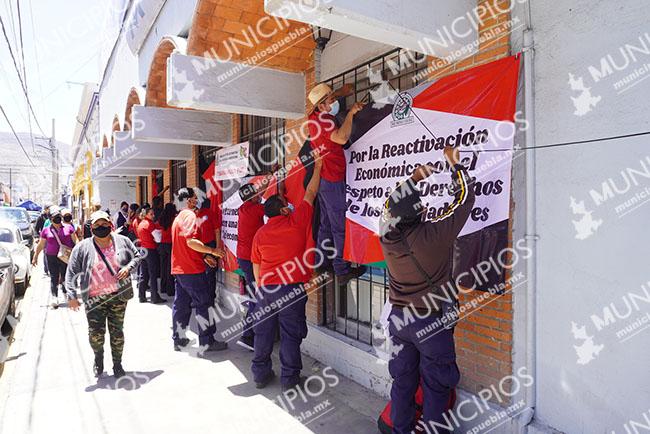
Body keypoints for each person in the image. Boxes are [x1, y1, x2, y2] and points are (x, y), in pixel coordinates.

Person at [379, 146, 475, 434]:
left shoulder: (387, 236)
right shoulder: (435, 234)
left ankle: (400, 430)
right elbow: (465, 199)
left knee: (403, 381)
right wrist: (454, 163)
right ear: (421, 211)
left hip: (399, 320)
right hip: (430, 322)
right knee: (436, 387)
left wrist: (414, 178)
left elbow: (388, 206)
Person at [250, 152, 322, 391]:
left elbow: (256, 265)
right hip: (290, 290)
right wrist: (319, 165)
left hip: (265, 289)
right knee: (291, 335)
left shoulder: (260, 233)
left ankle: (260, 375)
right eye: (285, 204)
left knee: (264, 333)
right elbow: (310, 193)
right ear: (282, 211)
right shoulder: (297, 220)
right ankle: (289, 380)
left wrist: (261, 288)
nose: (289, 205)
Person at [65, 210, 142, 378]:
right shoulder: (82, 247)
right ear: (91, 227)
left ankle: (117, 364)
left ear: (110, 224)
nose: (102, 227)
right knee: (95, 334)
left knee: (117, 333)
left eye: (105, 224)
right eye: (97, 225)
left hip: (118, 296)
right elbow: (71, 272)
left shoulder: (123, 241)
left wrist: (128, 268)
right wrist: (71, 295)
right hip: (94, 299)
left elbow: (136, 256)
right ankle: (98, 357)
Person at [307, 82, 366, 286]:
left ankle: (321, 262)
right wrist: (351, 113)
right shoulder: (325, 122)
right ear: (321, 106)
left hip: (324, 178)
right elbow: (341, 138)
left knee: (325, 225)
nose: (334, 101)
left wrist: (341, 92)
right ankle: (341, 270)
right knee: (339, 226)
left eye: (332, 97)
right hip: (332, 179)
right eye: (330, 99)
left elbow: (324, 100)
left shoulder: (312, 118)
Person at [171, 187, 227, 354]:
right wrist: (212, 251)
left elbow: (184, 244)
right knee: (204, 303)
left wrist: (203, 257)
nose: (197, 200)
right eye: (194, 198)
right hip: (192, 270)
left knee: (181, 305)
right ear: (188, 200)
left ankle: (179, 339)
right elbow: (190, 242)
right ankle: (207, 341)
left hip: (180, 268)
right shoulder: (189, 215)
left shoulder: (179, 217)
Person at [235, 182, 266, 351]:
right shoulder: (255, 209)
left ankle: (251, 333)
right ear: (252, 196)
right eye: (255, 193)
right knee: (257, 297)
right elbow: (271, 206)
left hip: (244, 257)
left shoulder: (244, 208)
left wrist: (270, 177)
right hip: (251, 259)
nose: (258, 194)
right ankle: (248, 336)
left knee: (255, 295)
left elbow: (260, 196)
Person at [33, 206, 78, 307]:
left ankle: (66, 292)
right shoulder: (46, 231)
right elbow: (41, 245)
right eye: (55, 217)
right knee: (54, 276)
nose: (57, 219)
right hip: (51, 256)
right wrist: (35, 256)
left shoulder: (69, 227)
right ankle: (54, 297)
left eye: (59, 216)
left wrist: (79, 253)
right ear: (50, 219)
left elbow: (76, 241)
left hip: (66, 256)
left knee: (65, 275)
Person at [137, 205, 165, 304]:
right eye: (151, 214)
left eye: (153, 214)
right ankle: (154, 297)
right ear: (146, 215)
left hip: (142, 250)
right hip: (150, 250)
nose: (153, 215)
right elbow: (158, 238)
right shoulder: (150, 224)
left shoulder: (141, 224)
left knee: (143, 274)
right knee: (153, 274)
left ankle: (141, 296)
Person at [195, 198, 219, 306]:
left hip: (210, 246)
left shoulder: (209, 213)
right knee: (199, 274)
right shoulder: (190, 216)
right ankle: (199, 299)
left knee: (210, 274)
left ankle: (210, 300)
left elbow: (217, 230)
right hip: (197, 247)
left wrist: (218, 247)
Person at [157, 203, 176, 297]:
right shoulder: (173, 219)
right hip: (170, 244)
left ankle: (163, 287)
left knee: (163, 267)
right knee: (170, 268)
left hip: (162, 244)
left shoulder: (161, 218)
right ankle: (170, 290)